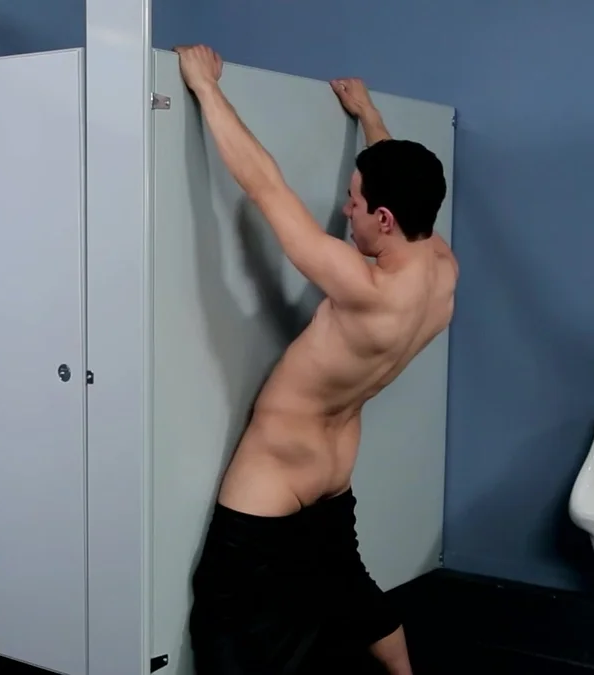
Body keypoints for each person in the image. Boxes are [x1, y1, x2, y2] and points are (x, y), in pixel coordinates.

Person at [176, 44, 456, 675]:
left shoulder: (365, 287)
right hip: (334, 464)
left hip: (277, 469)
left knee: (223, 610)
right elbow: (403, 188)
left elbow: (264, 186)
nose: (345, 209)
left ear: (383, 218)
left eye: (355, 201)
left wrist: (205, 88)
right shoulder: (442, 274)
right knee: (347, 588)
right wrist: (370, 117)